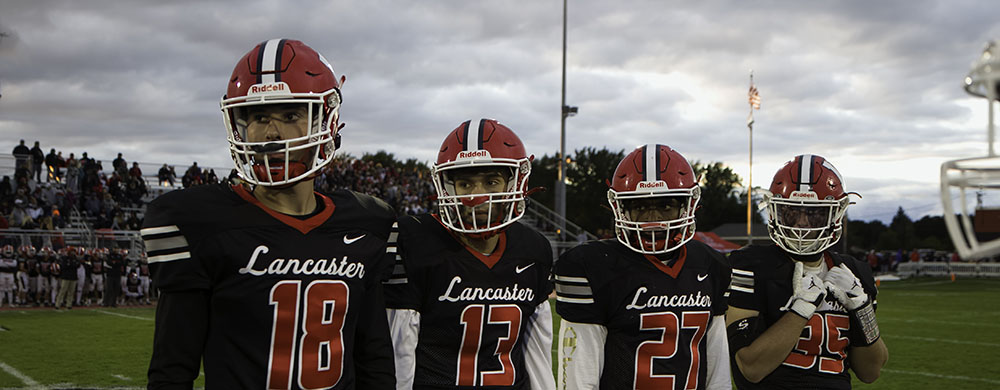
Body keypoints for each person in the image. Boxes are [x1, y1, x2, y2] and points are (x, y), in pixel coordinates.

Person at [144, 38, 396, 389]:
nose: (271, 133)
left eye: (291, 115)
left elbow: (375, 361)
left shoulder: (366, 223)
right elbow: (172, 371)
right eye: (259, 116)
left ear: (326, 119)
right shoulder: (201, 223)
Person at [384, 119, 555, 389]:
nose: (477, 196)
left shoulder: (533, 248)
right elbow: (399, 355)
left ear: (515, 183)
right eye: (465, 184)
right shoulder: (416, 240)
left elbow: (538, 356)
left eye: (491, 182)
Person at [553, 144, 732, 389]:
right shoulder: (594, 266)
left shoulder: (710, 264)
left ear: (688, 205)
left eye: (665, 206)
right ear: (620, 208)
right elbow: (580, 377)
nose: (652, 218)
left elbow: (717, 371)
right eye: (639, 207)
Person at [726, 154, 888, 389]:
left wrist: (862, 310)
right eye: (792, 211)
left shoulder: (853, 272)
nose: (802, 223)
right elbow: (751, 367)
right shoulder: (751, 265)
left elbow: (870, 371)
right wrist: (799, 310)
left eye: (814, 213)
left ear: (835, 213)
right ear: (776, 211)